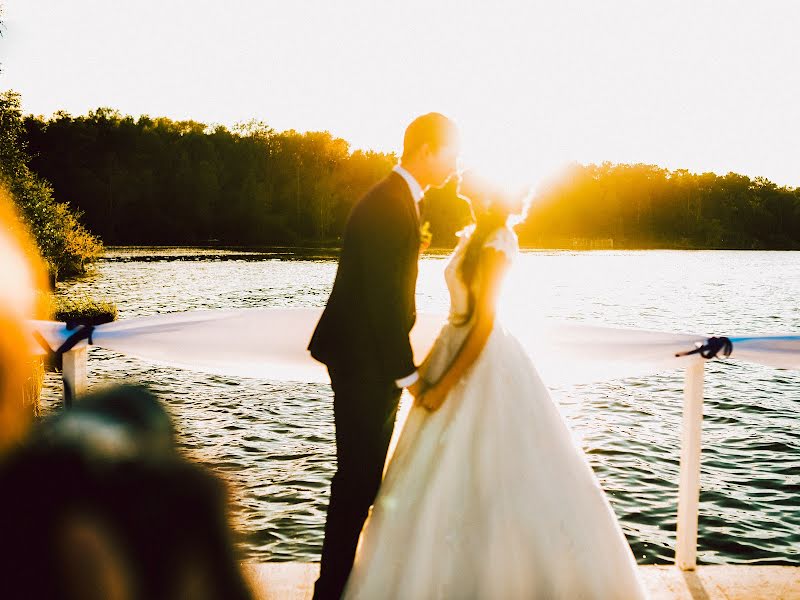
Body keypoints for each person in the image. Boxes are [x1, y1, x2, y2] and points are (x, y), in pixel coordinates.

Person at [342, 171, 648, 599]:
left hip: (480, 359)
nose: (462, 172)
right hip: (453, 346)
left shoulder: (498, 239)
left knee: (492, 469)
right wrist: (426, 367)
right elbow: (458, 319)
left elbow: (483, 323)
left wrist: (444, 384)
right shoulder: (473, 234)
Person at [308, 113, 460, 599]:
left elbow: (387, 284)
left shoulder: (396, 203)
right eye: (451, 153)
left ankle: (339, 583)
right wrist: (408, 374)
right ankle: (330, 589)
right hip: (364, 362)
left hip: (365, 358)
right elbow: (381, 300)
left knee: (362, 477)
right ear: (427, 150)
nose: (456, 164)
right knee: (356, 480)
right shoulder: (389, 205)